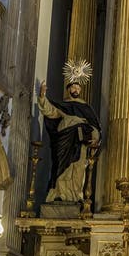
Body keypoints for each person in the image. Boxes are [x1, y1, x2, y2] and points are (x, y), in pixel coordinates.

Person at [37, 61, 101, 203]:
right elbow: (51, 112)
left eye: (78, 87)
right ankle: (59, 193)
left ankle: (74, 195)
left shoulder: (86, 108)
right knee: (61, 166)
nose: (76, 89)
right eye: (74, 86)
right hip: (64, 139)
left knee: (77, 169)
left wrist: (95, 137)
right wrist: (42, 97)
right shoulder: (63, 106)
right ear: (69, 89)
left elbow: (95, 126)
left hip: (79, 141)